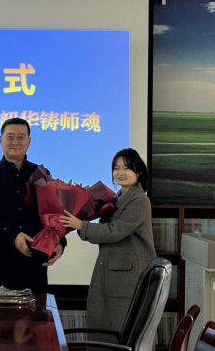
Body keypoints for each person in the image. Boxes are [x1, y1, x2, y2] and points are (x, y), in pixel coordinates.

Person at [59, 148, 156, 346]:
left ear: (138, 172)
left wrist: (81, 225)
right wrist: (82, 198)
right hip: (114, 274)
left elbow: (114, 231)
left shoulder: (139, 200)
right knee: (106, 327)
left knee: (121, 331)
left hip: (127, 278)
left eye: (127, 168)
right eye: (116, 168)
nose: (120, 172)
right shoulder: (117, 198)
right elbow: (101, 226)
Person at [0, 117, 65, 293]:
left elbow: (51, 213)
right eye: (9, 137)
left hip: (32, 258)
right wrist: (14, 236)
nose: (15, 142)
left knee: (34, 309)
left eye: (21, 137)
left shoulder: (41, 173)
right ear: (1, 140)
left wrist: (59, 241)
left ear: (29, 142)